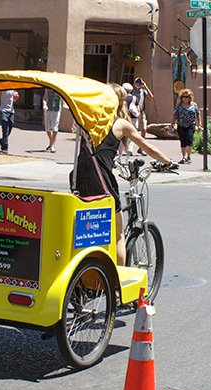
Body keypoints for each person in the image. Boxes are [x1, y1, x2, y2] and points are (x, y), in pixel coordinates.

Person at [74, 83, 176, 266]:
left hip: (79, 177)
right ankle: (118, 286)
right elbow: (147, 147)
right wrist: (168, 161)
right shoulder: (120, 124)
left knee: (86, 231)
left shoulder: (90, 119)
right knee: (118, 236)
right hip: (102, 179)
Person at [171, 88, 201, 164]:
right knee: (182, 142)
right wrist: (172, 124)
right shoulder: (179, 105)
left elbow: (198, 114)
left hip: (190, 125)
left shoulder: (194, 105)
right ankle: (184, 157)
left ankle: (189, 156)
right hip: (181, 125)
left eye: (186, 96)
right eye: (183, 97)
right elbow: (175, 115)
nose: (185, 98)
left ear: (190, 97)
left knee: (189, 141)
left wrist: (199, 124)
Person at [132, 77, 154, 146]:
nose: (138, 85)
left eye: (140, 83)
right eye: (137, 83)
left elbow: (151, 96)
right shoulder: (132, 92)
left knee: (144, 129)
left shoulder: (143, 91)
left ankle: (141, 147)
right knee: (133, 130)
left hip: (141, 112)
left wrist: (146, 86)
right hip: (133, 113)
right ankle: (130, 147)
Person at [121, 82, 139, 157]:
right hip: (133, 119)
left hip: (124, 118)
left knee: (122, 135)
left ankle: (120, 152)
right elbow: (138, 108)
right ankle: (129, 150)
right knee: (132, 135)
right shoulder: (134, 98)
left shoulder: (121, 98)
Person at [42, 88, 63, 153]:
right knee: (47, 128)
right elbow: (45, 97)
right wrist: (44, 104)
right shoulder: (48, 87)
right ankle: (51, 142)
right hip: (48, 108)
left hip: (56, 109)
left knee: (54, 128)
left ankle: (52, 145)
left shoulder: (59, 87)